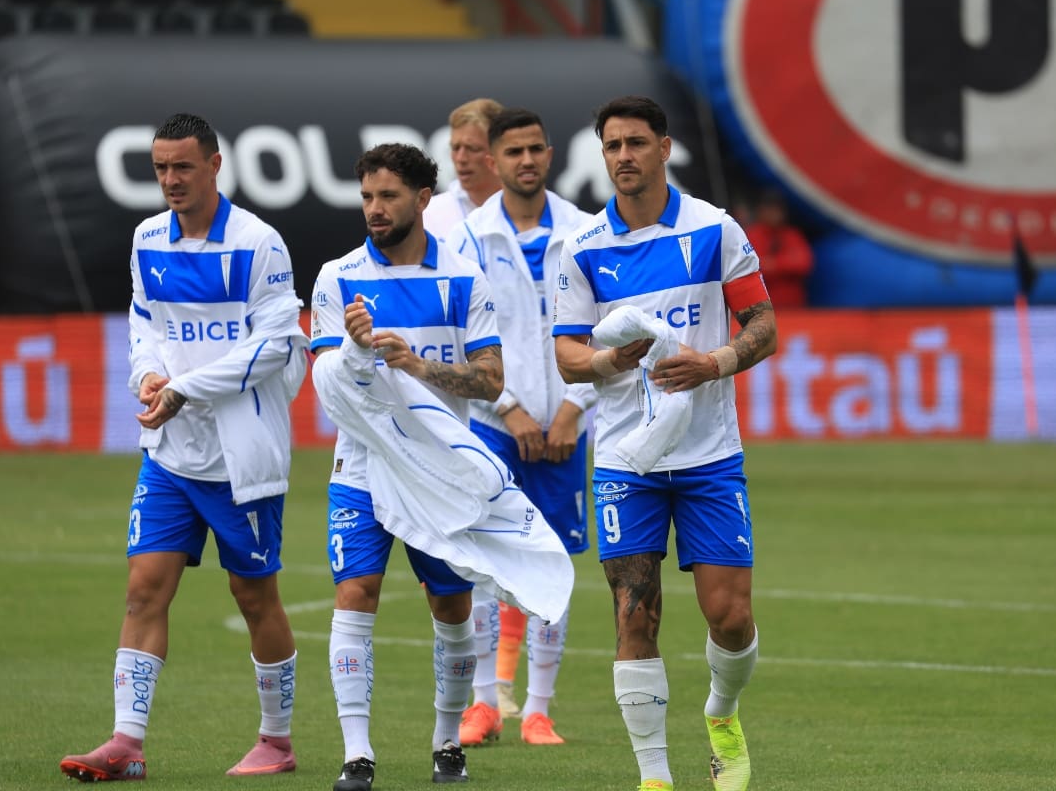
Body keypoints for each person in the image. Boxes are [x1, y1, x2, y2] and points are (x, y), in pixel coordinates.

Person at [59, 113, 309, 782]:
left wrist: (184, 389)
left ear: (215, 165)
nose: (170, 180)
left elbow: (273, 348)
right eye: (160, 168)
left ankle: (277, 742)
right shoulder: (148, 238)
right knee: (143, 590)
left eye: (183, 167)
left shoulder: (258, 242)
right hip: (170, 452)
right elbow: (144, 321)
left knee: (253, 596)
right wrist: (148, 376)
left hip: (241, 457)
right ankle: (126, 742)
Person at [552, 96, 778, 791]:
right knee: (634, 615)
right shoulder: (583, 247)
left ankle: (722, 712)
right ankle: (654, 778)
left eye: (636, 143)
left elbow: (763, 323)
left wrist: (716, 362)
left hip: (709, 453)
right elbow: (567, 354)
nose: (623, 156)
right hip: (626, 460)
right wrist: (607, 361)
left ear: (664, 148)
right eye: (612, 145)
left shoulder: (714, 229)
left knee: (730, 617)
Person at [309, 143, 505, 790]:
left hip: (440, 474)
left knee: (451, 606)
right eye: (367, 196)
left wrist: (417, 365)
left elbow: (490, 381)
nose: (374, 208)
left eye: (388, 196)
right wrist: (355, 351)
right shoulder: (338, 277)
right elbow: (326, 383)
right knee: (355, 594)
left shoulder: (464, 279)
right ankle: (356, 754)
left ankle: (447, 742)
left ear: (422, 200)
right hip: (362, 467)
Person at [447, 107, 595, 747]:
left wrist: (573, 408)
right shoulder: (468, 238)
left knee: (553, 565)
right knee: (483, 565)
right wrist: (507, 406)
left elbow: (609, 330)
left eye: (536, 149)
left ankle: (538, 710)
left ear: (550, 155)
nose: (527, 160)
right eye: (514, 152)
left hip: (565, 429)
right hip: (491, 425)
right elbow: (460, 335)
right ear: (494, 161)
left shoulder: (586, 232)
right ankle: (484, 704)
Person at [423, 98, 504, 241]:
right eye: (455, 148)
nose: (460, 158)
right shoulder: (428, 214)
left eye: (472, 148)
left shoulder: (531, 210)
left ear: (501, 150)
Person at [741, 187, 813, 307]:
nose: (773, 214)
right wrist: (783, 264)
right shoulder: (751, 235)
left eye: (777, 209)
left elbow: (804, 263)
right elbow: (747, 268)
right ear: (760, 211)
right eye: (768, 209)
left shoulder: (792, 235)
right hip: (761, 308)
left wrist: (774, 264)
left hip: (793, 307)